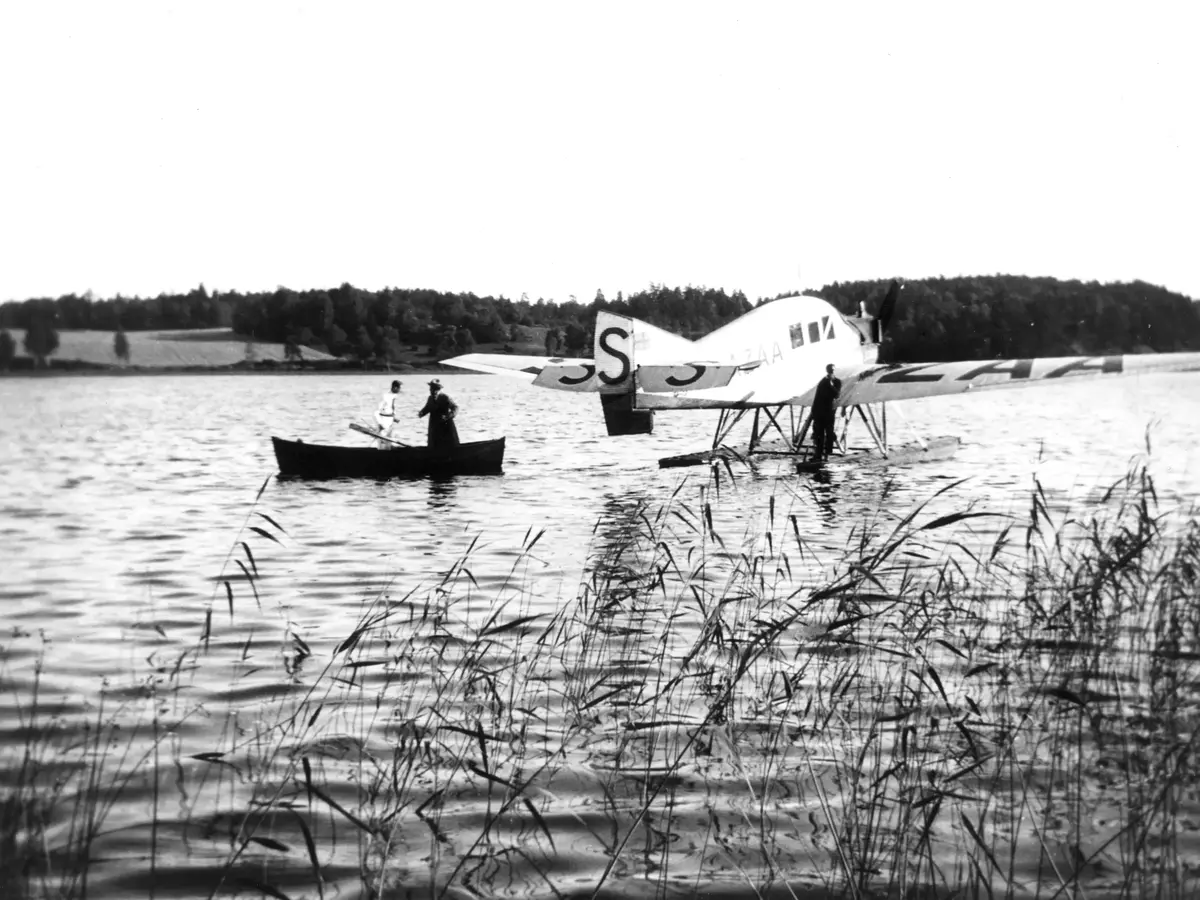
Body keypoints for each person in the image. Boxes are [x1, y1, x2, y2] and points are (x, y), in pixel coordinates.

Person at [810, 364, 842, 461]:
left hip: (829, 411)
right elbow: (818, 397)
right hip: (820, 411)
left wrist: (831, 385)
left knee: (829, 433)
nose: (831, 373)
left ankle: (827, 454)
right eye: (830, 371)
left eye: (832, 371)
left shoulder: (836, 382)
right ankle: (818, 455)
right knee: (819, 434)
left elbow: (836, 395)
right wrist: (814, 412)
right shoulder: (823, 382)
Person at [418, 379, 460, 450]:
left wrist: (448, 416)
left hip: (445, 426)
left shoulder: (445, 397)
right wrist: (422, 413)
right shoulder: (430, 398)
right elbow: (427, 407)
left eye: (434, 389)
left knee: (448, 445)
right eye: (431, 389)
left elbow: (455, 407)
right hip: (434, 426)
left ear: (438, 390)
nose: (432, 391)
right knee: (434, 444)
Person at [375, 380, 402, 445]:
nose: (400, 390)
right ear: (395, 388)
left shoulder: (394, 397)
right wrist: (380, 423)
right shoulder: (385, 396)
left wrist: (394, 418)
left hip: (390, 423)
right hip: (384, 423)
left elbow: (390, 411)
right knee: (383, 443)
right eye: (399, 388)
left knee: (390, 443)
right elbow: (376, 411)